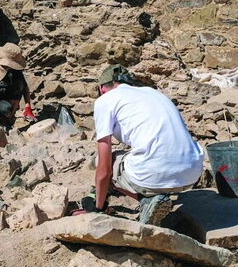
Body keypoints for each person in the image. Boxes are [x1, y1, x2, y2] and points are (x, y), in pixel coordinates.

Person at [87, 64, 204, 226]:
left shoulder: (105, 101)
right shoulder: (152, 93)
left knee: (105, 162)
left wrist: (98, 208)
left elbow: (104, 169)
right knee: (134, 159)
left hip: (154, 173)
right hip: (192, 172)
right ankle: (155, 199)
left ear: (102, 88)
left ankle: (146, 201)